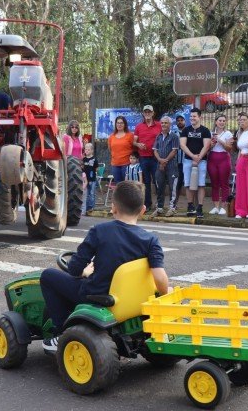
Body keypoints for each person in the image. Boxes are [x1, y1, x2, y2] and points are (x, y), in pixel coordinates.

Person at [39, 180, 169, 351]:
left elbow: (74, 269)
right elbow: (159, 276)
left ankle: (61, 332)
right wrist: (164, 296)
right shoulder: (151, 240)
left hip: (99, 296)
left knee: (48, 276)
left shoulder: (100, 231)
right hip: (133, 299)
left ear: (113, 207)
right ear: (143, 210)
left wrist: (84, 272)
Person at [179, 108, 212, 218]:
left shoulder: (205, 130)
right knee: (188, 184)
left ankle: (200, 208)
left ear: (199, 117)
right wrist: (193, 156)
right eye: (191, 116)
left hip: (201, 161)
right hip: (188, 160)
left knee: (201, 184)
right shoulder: (186, 130)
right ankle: (190, 206)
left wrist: (198, 158)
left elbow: (207, 145)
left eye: (194, 116)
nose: (192, 118)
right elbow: (183, 145)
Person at [133, 105, 161, 210]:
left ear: (153, 113)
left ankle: (160, 204)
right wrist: (138, 144)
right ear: (143, 114)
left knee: (157, 181)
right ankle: (147, 204)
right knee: (146, 182)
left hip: (155, 158)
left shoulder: (159, 125)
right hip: (143, 158)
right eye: (146, 112)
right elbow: (134, 141)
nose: (147, 114)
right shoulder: (139, 126)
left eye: (149, 112)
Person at [152, 116, 179, 217]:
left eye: (166, 123)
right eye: (162, 123)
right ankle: (159, 208)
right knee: (159, 187)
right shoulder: (158, 136)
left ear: (170, 124)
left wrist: (165, 161)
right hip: (160, 166)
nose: (163, 125)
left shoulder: (174, 136)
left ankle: (172, 208)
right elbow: (155, 150)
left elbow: (174, 150)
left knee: (173, 188)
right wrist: (160, 160)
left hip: (171, 166)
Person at [232, 113, 248, 219]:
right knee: (241, 187)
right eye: (240, 120)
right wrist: (238, 162)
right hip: (241, 160)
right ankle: (240, 210)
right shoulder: (239, 133)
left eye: (243, 119)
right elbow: (240, 150)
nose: (241, 121)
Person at [208, 115, 234, 215]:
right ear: (216, 122)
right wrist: (212, 143)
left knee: (224, 183)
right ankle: (216, 207)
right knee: (214, 183)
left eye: (223, 121)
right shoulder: (211, 133)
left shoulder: (228, 133)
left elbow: (229, 148)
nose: (222, 122)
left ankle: (223, 206)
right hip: (212, 158)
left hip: (224, 158)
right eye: (220, 120)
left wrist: (219, 140)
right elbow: (208, 148)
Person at [107, 115, 135, 185]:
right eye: (118, 123)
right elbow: (110, 149)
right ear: (115, 124)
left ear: (125, 124)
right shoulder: (111, 136)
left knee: (127, 186)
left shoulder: (130, 135)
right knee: (118, 185)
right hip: (115, 165)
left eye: (121, 123)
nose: (119, 124)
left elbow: (134, 149)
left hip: (127, 164)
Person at [173, 114, 187, 208]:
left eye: (181, 120)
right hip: (176, 162)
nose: (180, 122)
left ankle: (192, 205)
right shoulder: (173, 133)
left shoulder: (189, 131)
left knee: (190, 184)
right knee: (176, 184)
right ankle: (174, 204)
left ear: (185, 121)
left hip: (187, 161)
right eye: (178, 120)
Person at [83, 143, 97, 213]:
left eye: (88, 149)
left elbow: (96, 169)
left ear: (92, 151)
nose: (87, 151)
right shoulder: (84, 159)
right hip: (85, 180)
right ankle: (86, 208)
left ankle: (91, 209)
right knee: (86, 194)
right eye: (85, 149)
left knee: (91, 194)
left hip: (92, 179)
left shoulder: (94, 159)